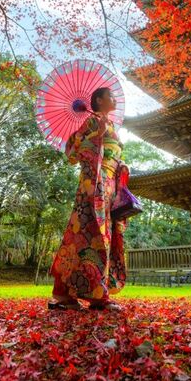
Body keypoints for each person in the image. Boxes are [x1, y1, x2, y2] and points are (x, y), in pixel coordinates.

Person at [48, 86, 128, 311]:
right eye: (110, 95)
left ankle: (75, 293)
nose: (114, 98)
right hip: (93, 184)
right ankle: (90, 296)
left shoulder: (110, 125)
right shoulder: (92, 122)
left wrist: (121, 165)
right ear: (99, 100)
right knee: (89, 233)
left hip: (109, 185)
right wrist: (97, 135)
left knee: (100, 234)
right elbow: (73, 152)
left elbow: (113, 155)